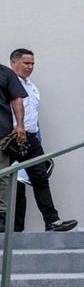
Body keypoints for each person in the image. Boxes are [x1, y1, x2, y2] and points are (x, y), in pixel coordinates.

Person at [8, 49, 77, 232]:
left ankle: (52, 221)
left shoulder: (32, 87)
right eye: (26, 63)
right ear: (13, 63)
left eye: (32, 64)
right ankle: (15, 228)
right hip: (11, 140)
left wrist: (37, 137)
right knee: (15, 184)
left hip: (31, 139)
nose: (30, 67)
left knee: (40, 178)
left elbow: (33, 116)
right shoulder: (6, 85)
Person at [0, 57, 26, 231]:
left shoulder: (5, 73)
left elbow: (17, 99)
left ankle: (1, 218)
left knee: (2, 177)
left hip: (0, 133)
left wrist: (20, 126)